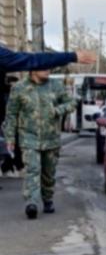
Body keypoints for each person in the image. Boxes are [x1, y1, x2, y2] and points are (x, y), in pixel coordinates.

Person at [3, 69, 77, 219]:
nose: (48, 70)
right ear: (33, 69)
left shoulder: (56, 86)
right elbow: (11, 114)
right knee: (32, 170)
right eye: (44, 67)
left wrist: (58, 110)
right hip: (28, 137)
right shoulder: (19, 88)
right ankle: (32, 203)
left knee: (48, 173)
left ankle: (48, 199)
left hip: (51, 138)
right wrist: (10, 138)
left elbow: (72, 102)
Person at [1, 76, 23, 178]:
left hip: (12, 123)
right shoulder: (7, 93)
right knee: (13, 146)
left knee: (12, 146)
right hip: (7, 123)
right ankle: (16, 167)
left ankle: (8, 167)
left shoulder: (12, 93)